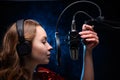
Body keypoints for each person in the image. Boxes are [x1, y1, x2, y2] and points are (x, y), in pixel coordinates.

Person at [0, 19, 99, 80]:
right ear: (24, 48)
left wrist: (88, 51)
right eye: (43, 42)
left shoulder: (46, 76)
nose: (50, 47)